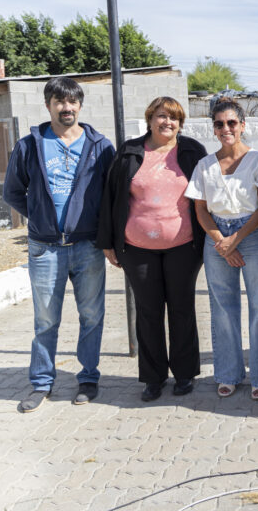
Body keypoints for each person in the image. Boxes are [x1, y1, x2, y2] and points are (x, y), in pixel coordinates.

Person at [3, 77, 115, 412]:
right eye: (59, 102)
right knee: (46, 320)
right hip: (45, 247)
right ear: (48, 104)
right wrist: (40, 218)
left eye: (72, 102)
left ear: (80, 105)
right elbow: (12, 192)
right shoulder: (29, 145)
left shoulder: (100, 146)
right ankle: (41, 383)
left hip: (88, 246)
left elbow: (111, 196)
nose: (66, 108)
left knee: (92, 315)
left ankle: (88, 378)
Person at [97, 97, 207, 402]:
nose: (167, 123)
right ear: (150, 119)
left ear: (180, 123)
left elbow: (208, 194)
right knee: (148, 311)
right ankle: (153, 377)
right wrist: (107, 241)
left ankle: (185, 374)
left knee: (182, 309)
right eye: (161, 116)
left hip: (184, 246)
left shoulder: (192, 151)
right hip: (137, 248)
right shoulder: (130, 151)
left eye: (173, 118)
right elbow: (112, 195)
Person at [185, 97, 258, 400]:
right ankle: (228, 373)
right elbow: (200, 209)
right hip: (216, 236)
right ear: (213, 128)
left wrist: (234, 240)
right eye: (219, 123)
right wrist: (220, 242)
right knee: (223, 308)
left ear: (242, 126)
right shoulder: (204, 165)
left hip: (251, 235)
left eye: (231, 123)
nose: (225, 128)